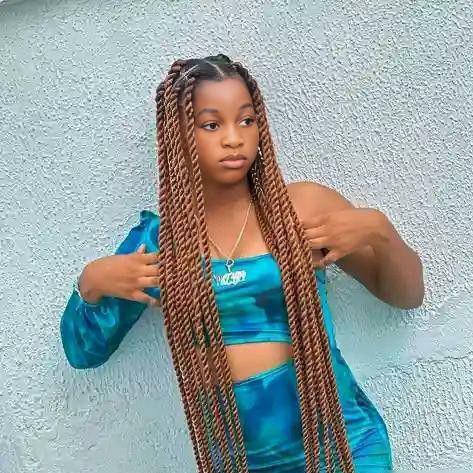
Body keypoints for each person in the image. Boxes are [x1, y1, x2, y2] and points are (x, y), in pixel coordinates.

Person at [60, 54, 424, 472]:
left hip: (343, 447)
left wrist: (379, 230)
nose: (234, 138)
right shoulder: (161, 244)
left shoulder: (301, 209)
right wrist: (91, 283)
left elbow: (407, 295)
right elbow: (82, 354)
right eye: (211, 125)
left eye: (246, 120)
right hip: (240, 462)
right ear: (178, 134)